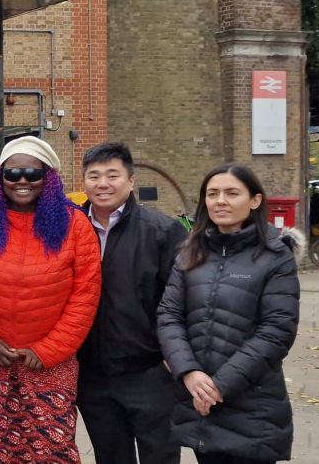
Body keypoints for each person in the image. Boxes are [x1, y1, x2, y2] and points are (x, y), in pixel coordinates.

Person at [0, 136, 101, 463]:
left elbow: (85, 295)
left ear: (48, 178)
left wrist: (49, 350)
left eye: (33, 174)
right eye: (13, 173)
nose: (22, 181)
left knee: (50, 449)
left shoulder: (75, 225)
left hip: (50, 365)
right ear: (1, 178)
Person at [158, 163, 299, 464]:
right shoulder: (190, 252)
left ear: (254, 200)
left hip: (250, 405)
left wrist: (218, 387)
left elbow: (276, 331)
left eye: (232, 193)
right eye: (213, 193)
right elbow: (169, 315)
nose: (220, 201)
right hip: (198, 403)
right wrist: (189, 372)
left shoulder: (275, 256)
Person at [76, 143, 185, 464]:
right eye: (94, 176)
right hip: (93, 375)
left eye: (113, 175)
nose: (103, 183)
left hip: (149, 372)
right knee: (110, 457)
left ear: (131, 181)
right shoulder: (71, 228)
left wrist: (173, 359)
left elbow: (181, 301)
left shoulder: (162, 231)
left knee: (160, 456)